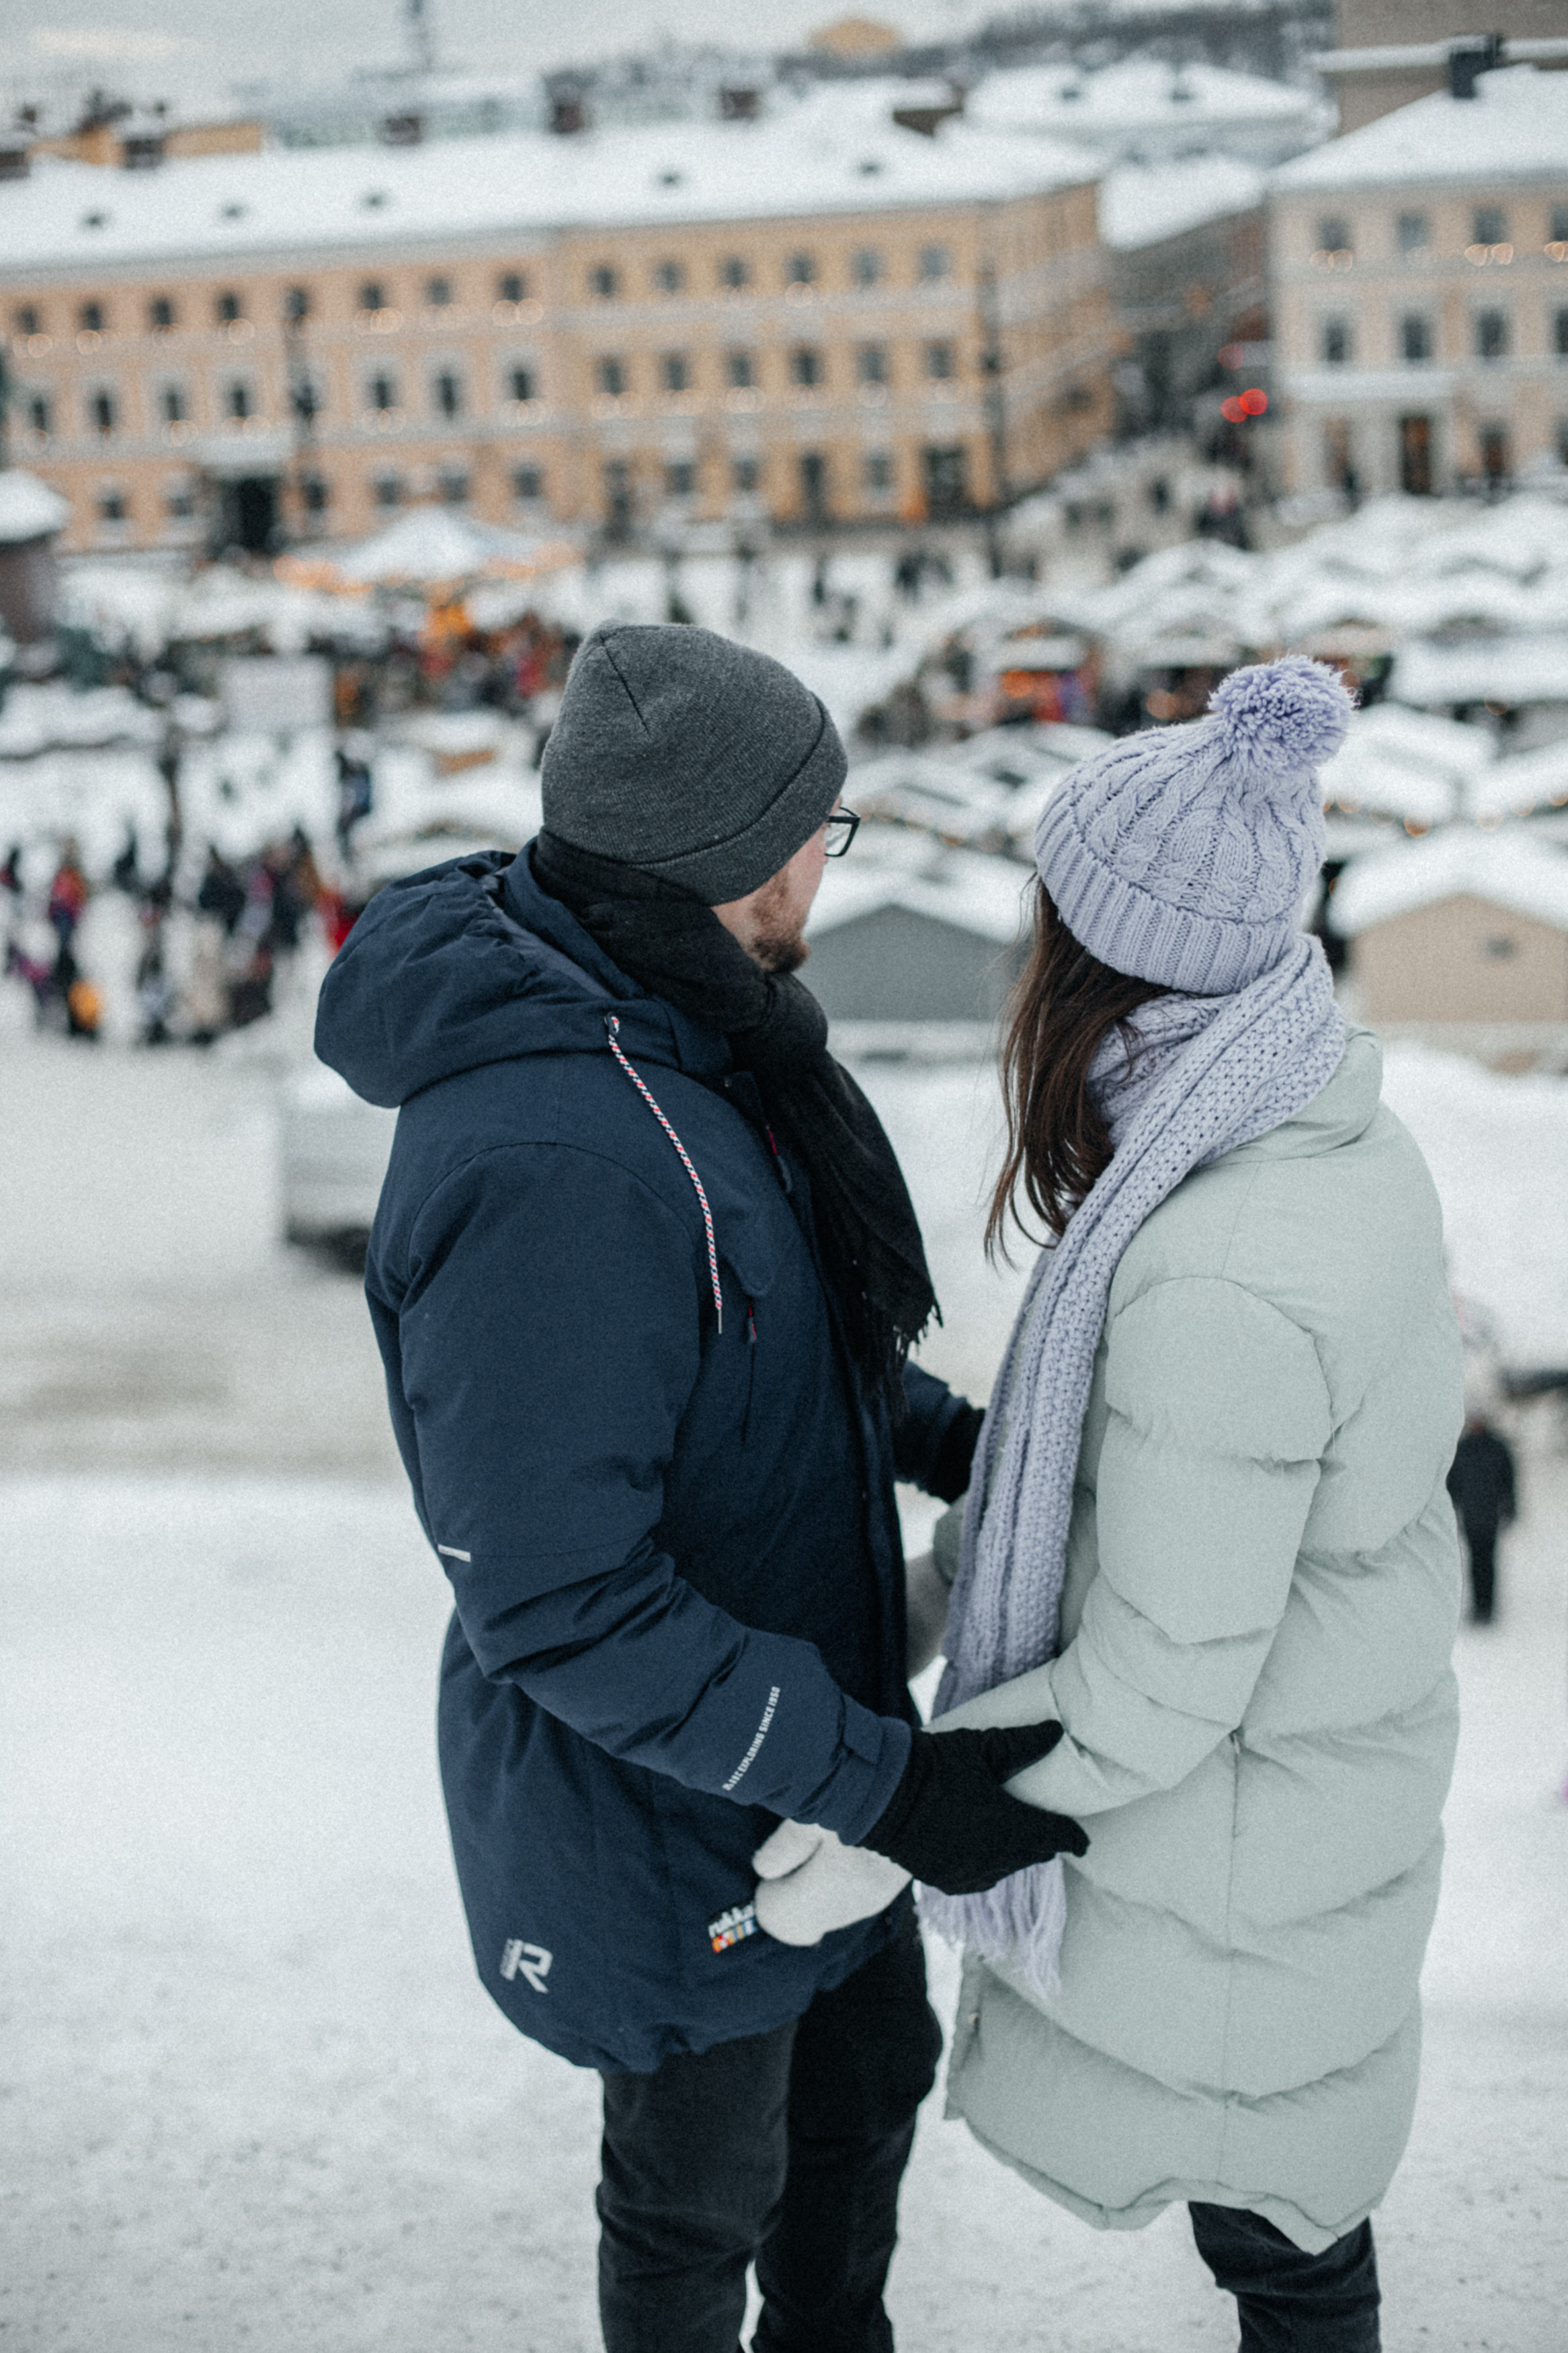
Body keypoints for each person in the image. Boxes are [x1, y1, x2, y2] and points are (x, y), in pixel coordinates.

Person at [313, 622, 1082, 2353]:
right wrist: (884, 1785)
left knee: (857, 2132)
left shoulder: (681, 1041)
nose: (832, 858)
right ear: (730, 860)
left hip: (807, 1771)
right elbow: (561, 1598)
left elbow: (759, 1352)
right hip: (675, 1827)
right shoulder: (551, 1160)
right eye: (823, 828)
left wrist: (965, 1444)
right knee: (695, 2221)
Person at [760, 657, 1464, 2353]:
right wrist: (925, 1590)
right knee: (1293, 2229)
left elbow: (1157, 1678)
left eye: (1043, 928)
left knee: (1284, 2254)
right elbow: (1102, 1498)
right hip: (1298, 1815)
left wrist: (897, 1827)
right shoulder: (1302, 1124)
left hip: (1240, 1856)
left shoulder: (1216, 1266)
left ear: (1099, 960)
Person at [1447, 1413, 1517, 1624]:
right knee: (1475, 1562)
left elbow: (1509, 1481)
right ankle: (1479, 1607)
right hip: (1470, 1515)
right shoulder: (1463, 1448)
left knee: (1488, 1562)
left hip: (1490, 1514)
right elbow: (1453, 1484)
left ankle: (1488, 1608)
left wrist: (1511, 1507)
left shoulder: (1497, 1447)